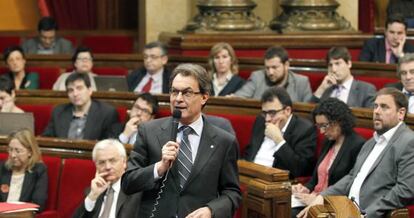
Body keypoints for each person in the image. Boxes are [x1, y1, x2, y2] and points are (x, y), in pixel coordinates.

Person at [121, 63, 241, 218]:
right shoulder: (149, 131)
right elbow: (128, 183)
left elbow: (232, 192)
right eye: (174, 92)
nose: (178, 99)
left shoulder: (224, 141)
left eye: (187, 93)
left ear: (204, 97)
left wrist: (211, 210)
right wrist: (159, 167)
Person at [298, 88, 414, 218]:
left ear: (401, 113)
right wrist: (322, 197)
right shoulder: (371, 142)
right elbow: (352, 176)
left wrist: (366, 214)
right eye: (375, 106)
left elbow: (405, 190)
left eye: (384, 107)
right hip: (346, 209)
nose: (376, 111)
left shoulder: (409, 142)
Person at [291, 98, 365, 217]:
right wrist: (305, 188)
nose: (321, 131)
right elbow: (315, 180)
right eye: (318, 126)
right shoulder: (328, 142)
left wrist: (318, 199)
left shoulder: (357, 145)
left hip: (332, 205)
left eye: (324, 126)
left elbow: (349, 187)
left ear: (338, 121)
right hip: (312, 199)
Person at [243, 86, 317, 178]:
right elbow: (249, 152)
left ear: (287, 111)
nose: (267, 119)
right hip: (250, 176)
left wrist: (278, 140)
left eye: (272, 113)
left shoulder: (304, 129)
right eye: (265, 113)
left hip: (275, 183)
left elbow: (300, 169)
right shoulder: (260, 121)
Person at [73, 139, 141, 218]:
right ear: (96, 166)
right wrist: (92, 196)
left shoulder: (136, 192)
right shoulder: (93, 191)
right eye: (102, 162)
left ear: (124, 162)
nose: (107, 167)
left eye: (112, 161)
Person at [43, 73, 119, 140]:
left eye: (79, 88)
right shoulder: (58, 111)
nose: (75, 94)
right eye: (70, 90)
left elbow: (110, 144)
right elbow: (47, 139)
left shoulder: (107, 113)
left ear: (90, 90)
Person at [234, 46, 312, 102]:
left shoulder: (301, 82)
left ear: (286, 65)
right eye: (267, 68)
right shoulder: (257, 77)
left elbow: (308, 108)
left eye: (274, 67)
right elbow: (239, 97)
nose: (270, 72)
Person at [311, 46, 376, 108]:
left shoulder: (366, 89)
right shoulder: (325, 89)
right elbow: (308, 114)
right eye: (330, 65)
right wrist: (321, 89)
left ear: (349, 64)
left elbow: (369, 117)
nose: (334, 69)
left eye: (337, 63)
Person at [0, 129, 47, 212]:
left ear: (30, 152)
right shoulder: (2, 168)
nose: (13, 155)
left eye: (18, 151)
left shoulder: (38, 170)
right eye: (10, 150)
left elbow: (38, 203)